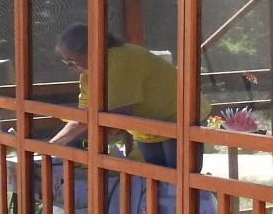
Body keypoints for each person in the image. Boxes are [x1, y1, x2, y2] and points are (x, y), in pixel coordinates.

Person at [50, 24, 209, 169]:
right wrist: (55, 145)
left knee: (181, 183)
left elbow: (118, 112)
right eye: (66, 62)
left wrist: (62, 145)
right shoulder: (88, 74)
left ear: (91, 49)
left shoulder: (119, 59)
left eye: (71, 60)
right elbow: (83, 116)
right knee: (156, 184)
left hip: (181, 119)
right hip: (150, 127)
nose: (70, 67)